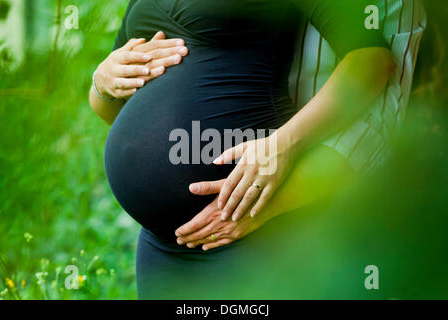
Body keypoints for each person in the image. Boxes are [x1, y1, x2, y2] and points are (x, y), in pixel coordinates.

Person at [89, 0, 403, 299]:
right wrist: (101, 82)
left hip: (251, 220)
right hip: (162, 247)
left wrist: (285, 143)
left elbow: (371, 60)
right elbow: (112, 110)